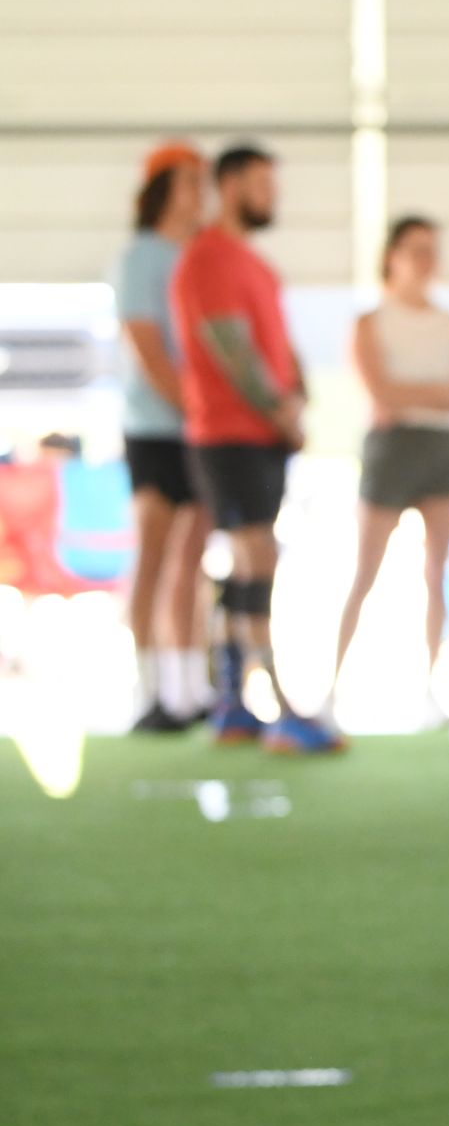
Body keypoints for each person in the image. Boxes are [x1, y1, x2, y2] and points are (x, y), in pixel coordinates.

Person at [170, 141, 345, 755]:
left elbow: (280, 349)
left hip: (263, 435)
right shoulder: (208, 259)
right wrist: (278, 410)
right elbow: (230, 347)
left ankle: (235, 705)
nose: (273, 197)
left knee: (248, 567)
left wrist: (297, 401)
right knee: (255, 561)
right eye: (263, 184)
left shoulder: (256, 267)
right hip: (229, 435)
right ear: (232, 184)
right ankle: (277, 708)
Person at [328, 214, 449, 719]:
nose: (425, 260)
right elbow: (382, 392)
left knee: (437, 572)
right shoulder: (370, 322)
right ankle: (332, 688)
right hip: (391, 451)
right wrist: (431, 395)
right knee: (365, 571)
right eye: (415, 249)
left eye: (431, 249)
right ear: (392, 256)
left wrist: (415, 396)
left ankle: (432, 687)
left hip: (443, 449)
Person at [112, 141, 213, 730]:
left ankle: (187, 688)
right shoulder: (140, 257)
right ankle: (147, 689)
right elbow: (148, 346)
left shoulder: (202, 254)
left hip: (201, 429)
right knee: (153, 549)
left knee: (192, 559)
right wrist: (191, 407)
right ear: (163, 190)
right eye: (190, 183)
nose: (199, 194)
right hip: (154, 427)